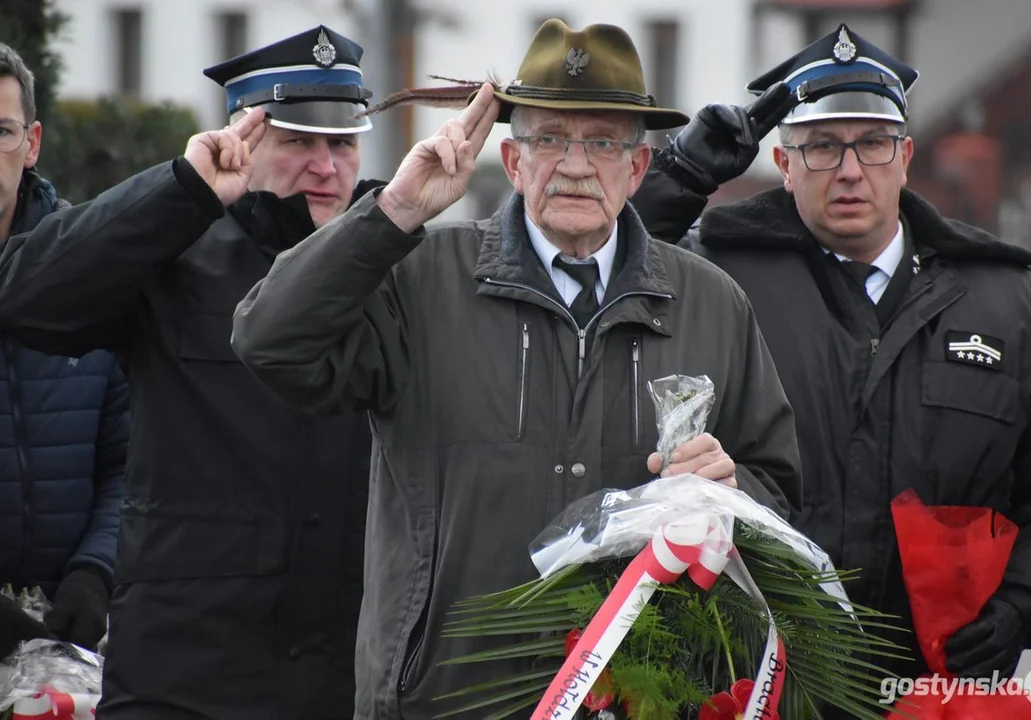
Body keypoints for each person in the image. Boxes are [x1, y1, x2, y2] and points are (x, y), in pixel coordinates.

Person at [230, 18, 802, 718]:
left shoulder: (710, 301)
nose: (573, 164)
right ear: (512, 161)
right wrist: (394, 211)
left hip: (640, 699)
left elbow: (777, 494)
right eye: (549, 138)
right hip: (443, 695)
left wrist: (729, 486)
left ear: (637, 167)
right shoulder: (417, 274)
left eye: (600, 142)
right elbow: (269, 340)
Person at [634, 22, 1031, 705]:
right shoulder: (715, 276)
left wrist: (1022, 601)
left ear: (904, 155)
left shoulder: (1015, 307)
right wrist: (678, 178)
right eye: (820, 147)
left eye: (870, 144)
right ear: (783, 165)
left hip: (936, 687)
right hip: (750, 678)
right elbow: (598, 280)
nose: (848, 170)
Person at [0, 26, 383, 719]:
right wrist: (183, 189)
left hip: (343, 673)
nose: (326, 167)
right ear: (243, 139)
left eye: (342, 143)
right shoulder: (176, 252)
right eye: (299, 141)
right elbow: (26, 298)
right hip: (187, 678)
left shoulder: (390, 265)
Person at [0, 42, 127, 661]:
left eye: (1, 130)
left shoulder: (89, 270)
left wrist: (97, 569)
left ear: (33, 143)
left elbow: (133, 457)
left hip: (74, 639)